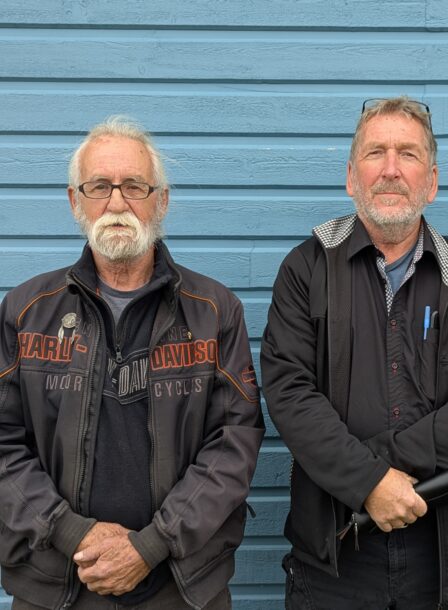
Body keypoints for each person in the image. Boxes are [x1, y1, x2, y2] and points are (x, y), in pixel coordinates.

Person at [261, 96, 448, 609]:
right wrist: (367, 483)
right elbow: (289, 392)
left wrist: (382, 470)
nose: (390, 169)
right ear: (350, 177)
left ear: (432, 181)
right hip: (336, 553)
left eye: (408, 153)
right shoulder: (306, 270)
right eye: (374, 152)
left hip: (446, 555)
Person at [0, 116, 265, 609]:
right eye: (100, 186)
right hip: (57, 583)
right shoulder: (26, 310)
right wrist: (72, 532)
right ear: (75, 200)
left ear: (160, 201)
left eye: (135, 186)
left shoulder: (213, 311)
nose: (117, 203)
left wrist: (151, 545)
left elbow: (235, 442)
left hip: (182, 585)